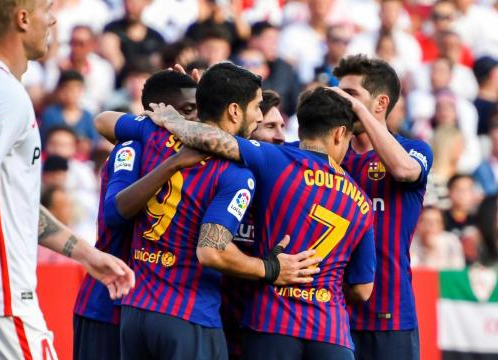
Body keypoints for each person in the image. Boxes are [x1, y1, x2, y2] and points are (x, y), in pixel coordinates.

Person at [0, 1, 134, 359]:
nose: (52, 19)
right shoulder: (5, 95)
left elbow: (8, 205)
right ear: (22, 19)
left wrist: (85, 254)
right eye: (45, 10)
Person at [97, 63, 326, 360]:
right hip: (189, 314)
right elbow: (211, 252)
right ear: (234, 111)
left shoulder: (154, 130)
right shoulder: (236, 175)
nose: (259, 116)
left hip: (136, 312)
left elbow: (103, 120)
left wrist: (167, 121)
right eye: (257, 107)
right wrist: (272, 269)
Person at [143, 86, 377, 359]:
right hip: (331, 333)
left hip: (272, 323)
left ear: (300, 127)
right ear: (340, 134)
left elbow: (211, 138)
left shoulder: (275, 159)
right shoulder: (361, 200)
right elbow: (362, 289)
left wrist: (172, 120)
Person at [74, 69, 200, 360]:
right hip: (106, 305)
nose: (194, 120)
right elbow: (114, 213)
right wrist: (171, 166)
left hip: (148, 306)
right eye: (188, 110)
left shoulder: (192, 157)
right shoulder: (132, 148)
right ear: (154, 115)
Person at [332, 55, 433, 360]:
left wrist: (361, 114)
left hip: (390, 314)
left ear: (380, 103)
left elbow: (404, 171)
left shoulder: (415, 149)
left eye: (351, 95)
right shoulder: (328, 156)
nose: (342, 102)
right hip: (331, 315)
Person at [220, 89, 284, 360]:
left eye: (282, 126)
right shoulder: (220, 178)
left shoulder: (286, 187)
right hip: (216, 323)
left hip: (264, 331)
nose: (281, 135)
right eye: (270, 126)